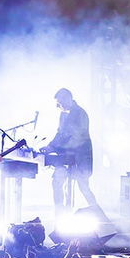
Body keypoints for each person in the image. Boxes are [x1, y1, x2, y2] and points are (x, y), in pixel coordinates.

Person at [45, 88, 110, 224]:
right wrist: (50, 146)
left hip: (81, 157)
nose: (58, 106)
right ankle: (60, 216)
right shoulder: (63, 115)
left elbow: (78, 137)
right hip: (67, 156)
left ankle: (101, 218)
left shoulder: (81, 114)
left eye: (60, 102)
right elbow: (60, 133)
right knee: (57, 181)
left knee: (83, 187)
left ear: (68, 98)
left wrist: (59, 148)